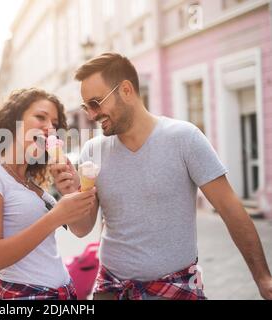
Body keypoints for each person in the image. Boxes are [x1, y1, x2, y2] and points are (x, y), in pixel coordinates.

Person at [51, 52, 272, 300]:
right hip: (111, 291)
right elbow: (83, 229)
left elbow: (230, 209)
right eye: (86, 107)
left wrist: (262, 277)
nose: (91, 114)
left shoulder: (184, 138)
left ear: (126, 90)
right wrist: (70, 193)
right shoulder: (93, 150)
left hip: (175, 289)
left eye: (96, 103)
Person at [0, 88, 96, 300]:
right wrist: (55, 217)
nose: (49, 128)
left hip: (63, 293)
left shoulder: (30, 182)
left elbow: (82, 229)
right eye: (40, 117)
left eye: (54, 123)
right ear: (13, 120)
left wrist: (70, 191)